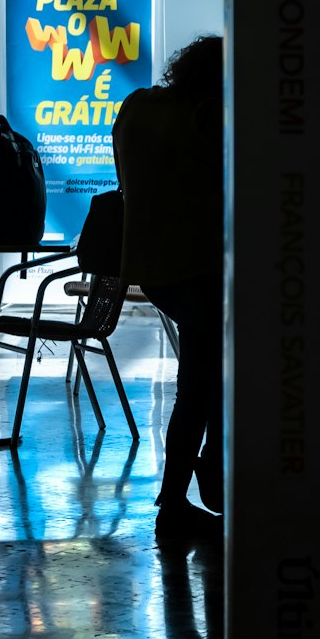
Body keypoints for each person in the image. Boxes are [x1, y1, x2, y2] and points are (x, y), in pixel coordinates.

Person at [113, 35, 224, 542]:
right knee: (200, 385)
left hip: (149, 266)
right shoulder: (210, 118)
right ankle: (179, 498)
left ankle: (198, 483)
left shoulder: (137, 107)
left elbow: (126, 179)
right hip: (202, 266)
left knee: (206, 379)